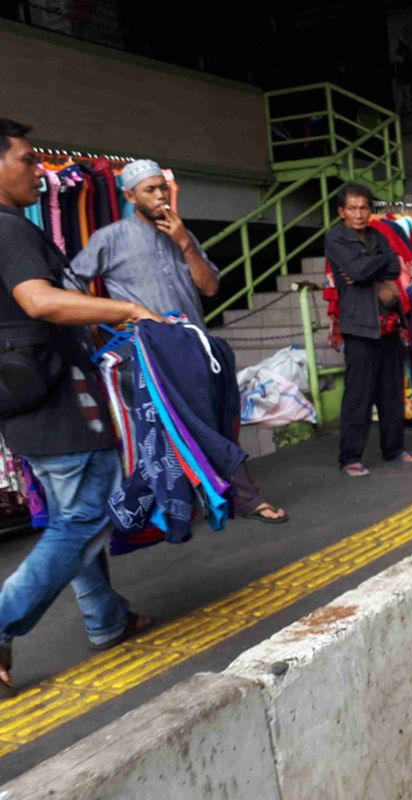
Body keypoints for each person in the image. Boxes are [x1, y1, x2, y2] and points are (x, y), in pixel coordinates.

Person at [0, 119, 161, 694]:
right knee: (84, 518)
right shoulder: (10, 230)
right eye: (24, 159)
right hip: (57, 402)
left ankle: (106, 621)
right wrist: (126, 312)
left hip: (29, 403)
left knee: (75, 515)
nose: (38, 171)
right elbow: (39, 301)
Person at [71, 160, 288, 524]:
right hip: (148, 353)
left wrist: (185, 242)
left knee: (208, 421)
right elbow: (70, 285)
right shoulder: (110, 238)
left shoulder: (182, 234)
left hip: (194, 346)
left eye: (162, 188)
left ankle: (159, 509)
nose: (159, 196)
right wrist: (115, 315)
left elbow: (210, 287)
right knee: (180, 428)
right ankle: (245, 499)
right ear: (129, 196)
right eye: (149, 190)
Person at [325, 184, 412, 477]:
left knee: (391, 391)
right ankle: (350, 457)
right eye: (352, 209)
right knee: (359, 395)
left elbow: (394, 267)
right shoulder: (336, 238)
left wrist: (369, 267)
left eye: (363, 208)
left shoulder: (378, 234)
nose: (358, 214)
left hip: (388, 323)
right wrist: (369, 268)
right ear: (341, 212)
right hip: (358, 325)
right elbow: (358, 272)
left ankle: (393, 448)